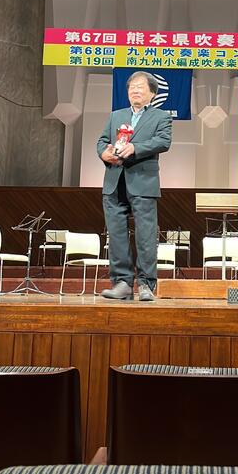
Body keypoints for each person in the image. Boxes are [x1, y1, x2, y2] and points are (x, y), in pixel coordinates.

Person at [97, 71, 172, 301]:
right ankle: (122, 283)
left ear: (152, 93)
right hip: (114, 181)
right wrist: (104, 153)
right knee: (116, 235)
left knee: (146, 236)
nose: (135, 91)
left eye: (140, 87)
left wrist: (135, 148)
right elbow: (102, 141)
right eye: (131, 87)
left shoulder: (161, 116)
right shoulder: (116, 115)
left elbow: (163, 141)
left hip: (143, 183)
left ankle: (146, 285)